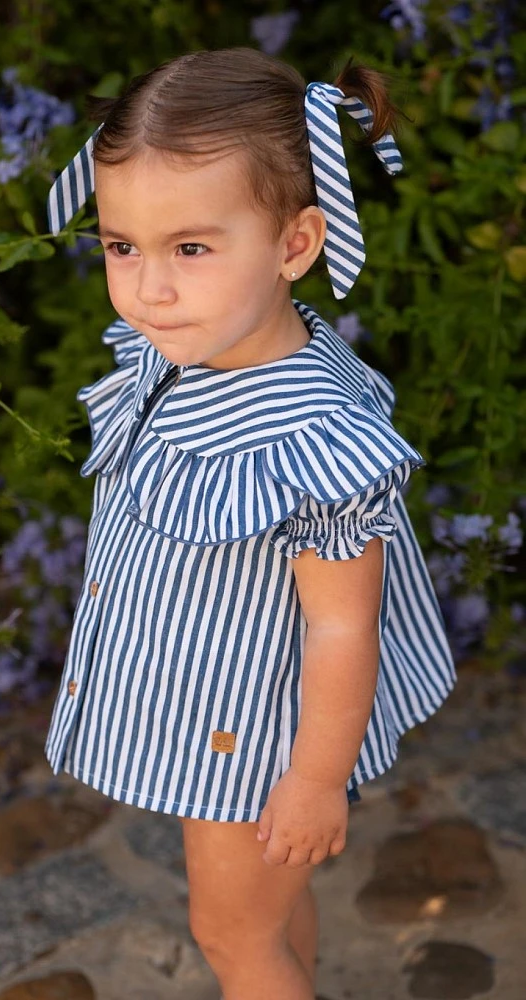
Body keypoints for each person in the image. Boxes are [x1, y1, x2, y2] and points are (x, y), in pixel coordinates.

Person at [43, 46, 456, 1000]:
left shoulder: (311, 434)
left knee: (232, 936)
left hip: (256, 739)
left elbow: (345, 620)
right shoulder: (197, 339)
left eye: (191, 247)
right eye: (120, 246)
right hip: (208, 702)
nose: (148, 287)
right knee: (267, 924)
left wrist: (314, 782)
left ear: (295, 244)